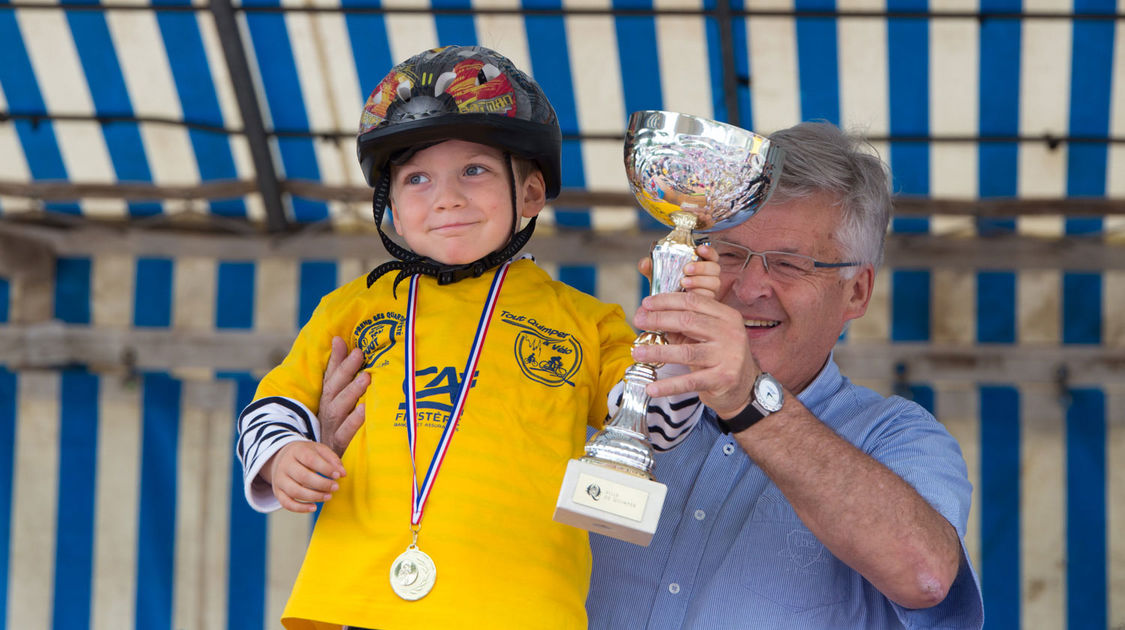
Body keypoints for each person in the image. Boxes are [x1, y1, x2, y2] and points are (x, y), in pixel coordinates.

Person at [234, 46, 717, 630]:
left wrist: (683, 323)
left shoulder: (587, 320)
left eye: (475, 170)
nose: (447, 197)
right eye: (416, 178)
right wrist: (282, 455)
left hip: (521, 609)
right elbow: (275, 402)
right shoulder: (349, 308)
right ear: (388, 206)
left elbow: (656, 428)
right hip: (353, 604)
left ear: (532, 194)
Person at [585, 121, 985, 628]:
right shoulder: (614, 392)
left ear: (857, 292)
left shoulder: (897, 434)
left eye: (790, 265)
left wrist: (748, 398)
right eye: (729, 254)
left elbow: (925, 576)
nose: (750, 287)